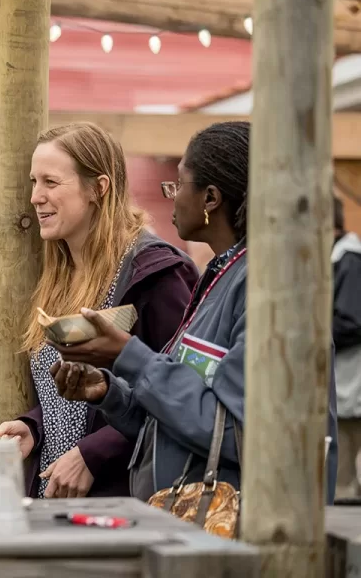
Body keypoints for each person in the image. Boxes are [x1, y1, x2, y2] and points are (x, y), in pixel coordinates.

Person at [50, 121, 339, 503]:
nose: (170, 196)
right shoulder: (223, 276)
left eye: (179, 183)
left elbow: (240, 432)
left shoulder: (272, 287)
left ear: (211, 198)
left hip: (246, 535)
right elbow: (184, 416)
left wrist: (129, 356)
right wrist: (110, 393)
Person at [0, 122, 198, 499]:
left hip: (124, 497)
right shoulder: (58, 272)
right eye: (33, 182)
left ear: (98, 189)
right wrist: (33, 426)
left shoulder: (155, 272)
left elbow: (182, 391)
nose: (35, 196)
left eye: (51, 183)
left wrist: (94, 453)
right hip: (52, 494)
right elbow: (67, 403)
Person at [332, 195, 361, 498]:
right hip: (343, 388)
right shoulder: (340, 257)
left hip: (350, 390)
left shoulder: (349, 259)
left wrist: (311, 337)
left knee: (343, 488)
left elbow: (351, 321)